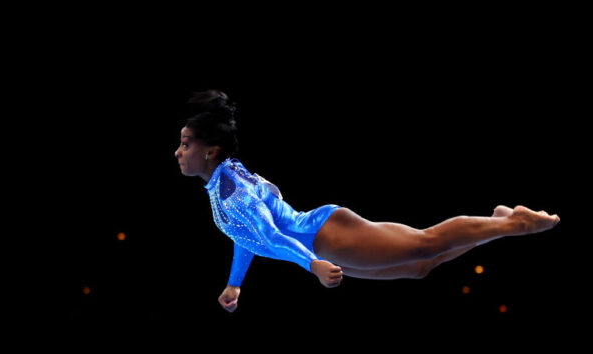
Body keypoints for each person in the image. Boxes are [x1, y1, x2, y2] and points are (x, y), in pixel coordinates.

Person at [175, 90, 560, 313]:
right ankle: (498, 223)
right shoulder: (225, 179)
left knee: (425, 242)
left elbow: (269, 236)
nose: (178, 152)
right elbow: (248, 236)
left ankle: (517, 223)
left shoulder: (231, 191)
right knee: (420, 267)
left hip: (327, 238)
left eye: (186, 143)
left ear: (211, 151)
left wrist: (314, 265)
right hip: (323, 241)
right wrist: (235, 284)